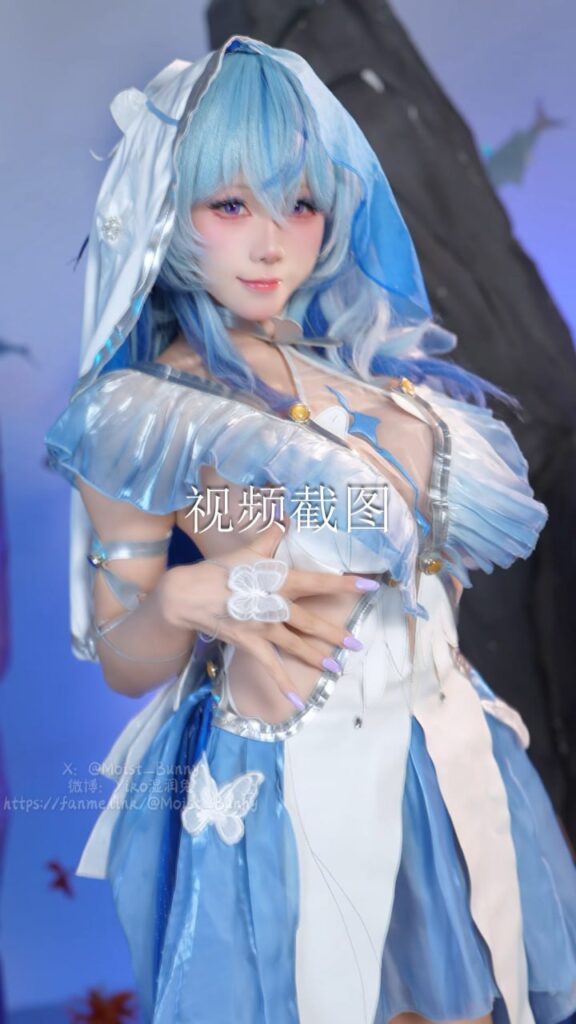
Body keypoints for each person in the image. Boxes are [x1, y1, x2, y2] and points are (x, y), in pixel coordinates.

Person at [44, 36, 576, 1024]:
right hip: (292, 778)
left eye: (297, 203)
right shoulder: (141, 411)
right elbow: (123, 660)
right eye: (230, 205)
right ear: (168, 211)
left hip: (445, 756)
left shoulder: (372, 379)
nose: (271, 244)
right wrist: (184, 597)